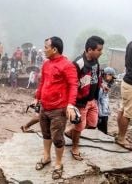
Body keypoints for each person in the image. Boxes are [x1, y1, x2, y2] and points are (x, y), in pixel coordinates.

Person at [33, 36, 78, 180]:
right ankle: (46, 157)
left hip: (59, 109)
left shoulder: (67, 65)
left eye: (46, 47)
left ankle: (59, 164)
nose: (44, 50)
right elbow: (42, 82)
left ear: (54, 49)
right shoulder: (46, 64)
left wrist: (70, 104)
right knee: (46, 134)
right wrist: (37, 97)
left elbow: (73, 85)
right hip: (44, 107)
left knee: (57, 138)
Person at [66, 36, 104, 161]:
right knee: (79, 126)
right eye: (99, 50)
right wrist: (72, 102)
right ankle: (75, 147)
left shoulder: (95, 60)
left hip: (93, 99)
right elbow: (71, 83)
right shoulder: (78, 63)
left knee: (92, 124)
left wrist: (101, 85)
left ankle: (70, 132)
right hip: (81, 101)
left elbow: (96, 76)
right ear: (89, 49)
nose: (101, 52)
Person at [116, 37, 132, 151]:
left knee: (123, 109)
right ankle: (121, 138)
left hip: (128, 81)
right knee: (128, 113)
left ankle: (121, 135)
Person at [97, 67, 116, 134]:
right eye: (112, 77)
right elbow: (99, 100)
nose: (112, 79)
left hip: (104, 112)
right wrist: (100, 113)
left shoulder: (106, 85)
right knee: (101, 130)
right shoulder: (101, 85)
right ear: (107, 75)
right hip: (101, 113)